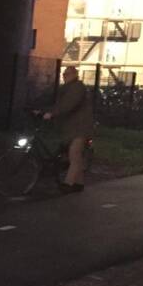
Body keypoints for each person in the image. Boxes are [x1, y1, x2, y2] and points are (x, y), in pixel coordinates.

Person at [44, 66, 93, 194]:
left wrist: (52, 113)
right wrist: (44, 110)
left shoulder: (76, 88)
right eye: (64, 74)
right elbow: (60, 104)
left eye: (67, 74)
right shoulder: (68, 88)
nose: (64, 76)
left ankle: (68, 183)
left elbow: (68, 104)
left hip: (80, 127)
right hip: (72, 127)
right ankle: (79, 183)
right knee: (74, 155)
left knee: (74, 154)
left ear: (74, 75)